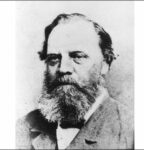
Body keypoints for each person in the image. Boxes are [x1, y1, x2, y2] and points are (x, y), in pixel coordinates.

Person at [16, 13, 134, 149]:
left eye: (77, 56)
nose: (63, 68)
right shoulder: (23, 127)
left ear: (105, 63)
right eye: (54, 58)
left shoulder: (133, 131)